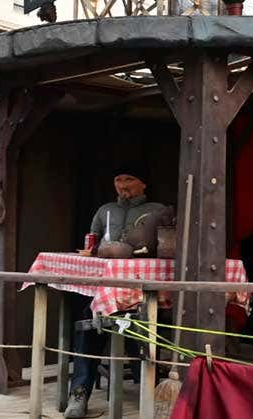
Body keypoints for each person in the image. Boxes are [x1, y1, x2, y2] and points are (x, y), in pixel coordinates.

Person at [65, 164, 165, 419]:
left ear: (143, 183)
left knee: (142, 320)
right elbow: (92, 241)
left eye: (129, 179)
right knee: (88, 319)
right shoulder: (105, 210)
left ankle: (152, 390)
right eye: (118, 179)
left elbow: (166, 247)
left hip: (143, 293)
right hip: (106, 292)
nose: (123, 185)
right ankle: (79, 393)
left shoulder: (157, 210)